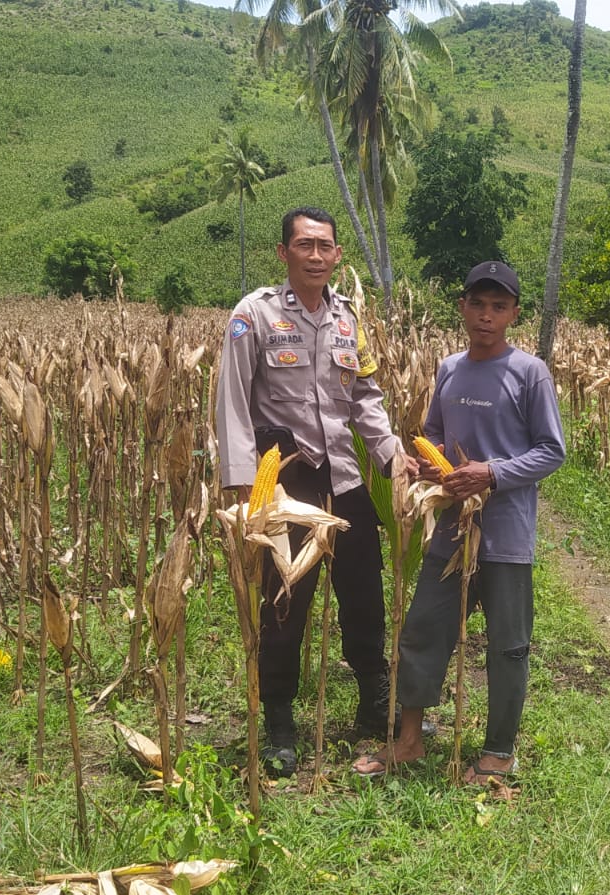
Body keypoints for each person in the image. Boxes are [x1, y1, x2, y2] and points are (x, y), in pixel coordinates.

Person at [215, 206, 415, 775]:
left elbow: (366, 399)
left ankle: (373, 704)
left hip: (345, 477)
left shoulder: (349, 321)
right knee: (284, 601)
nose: (315, 255)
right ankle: (279, 716)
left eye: (325, 246)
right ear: (283, 253)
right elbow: (232, 399)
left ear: (337, 255)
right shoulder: (253, 315)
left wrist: (392, 456)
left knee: (362, 593)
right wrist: (241, 486)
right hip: (285, 480)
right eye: (304, 245)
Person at [352, 260, 566, 784]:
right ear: (463, 307)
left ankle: (498, 750)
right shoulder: (449, 369)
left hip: (505, 532)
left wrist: (491, 473)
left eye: (498, 306)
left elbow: (552, 452)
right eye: (477, 304)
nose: (485, 316)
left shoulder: (529, 372)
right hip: (450, 527)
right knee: (423, 628)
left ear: (514, 313)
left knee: (508, 643)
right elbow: (434, 433)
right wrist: (433, 463)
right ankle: (409, 739)